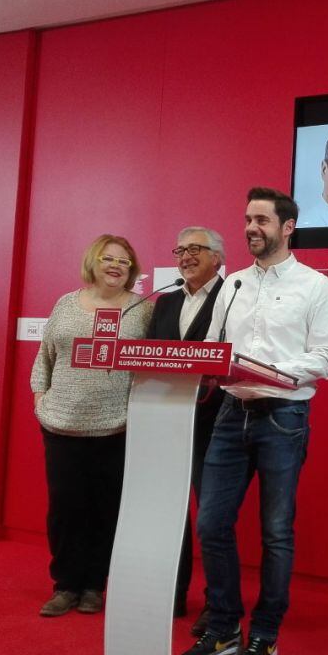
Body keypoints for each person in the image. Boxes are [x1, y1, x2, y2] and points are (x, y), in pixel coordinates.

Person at [174, 186, 328, 655]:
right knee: (210, 523)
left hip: (283, 416)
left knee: (275, 533)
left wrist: (273, 373)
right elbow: (212, 345)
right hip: (230, 414)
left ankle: (265, 633)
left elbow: (327, 355)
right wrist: (205, 365)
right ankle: (224, 627)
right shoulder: (234, 285)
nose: (252, 228)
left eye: (262, 221)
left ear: (287, 227)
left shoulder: (315, 285)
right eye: (248, 219)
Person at [31, 234, 152, 617]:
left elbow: (152, 366)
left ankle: (94, 586)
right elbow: (45, 357)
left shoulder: (142, 310)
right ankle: (65, 585)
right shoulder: (66, 304)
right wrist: (40, 401)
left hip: (115, 428)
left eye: (124, 262)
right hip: (61, 425)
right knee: (65, 509)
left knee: (105, 510)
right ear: (93, 262)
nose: (116, 266)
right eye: (108, 258)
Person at [147, 226, 226, 627]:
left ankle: (217, 604)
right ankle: (170, 594)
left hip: (213, 425)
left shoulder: (234, 297)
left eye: (196, 249)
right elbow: (147, 357)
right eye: (180, 249)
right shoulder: (165, 301)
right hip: (165, 422)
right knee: (169, 514)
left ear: (218, 258)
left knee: (210, 518)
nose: (185, 256)